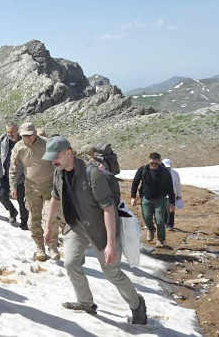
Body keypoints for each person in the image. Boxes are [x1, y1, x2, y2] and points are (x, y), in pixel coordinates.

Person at [43, 136, 147, 325]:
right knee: (71, 264)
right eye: (50, 157)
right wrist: (48, 226)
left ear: (69, 152)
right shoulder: (58, 172)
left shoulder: (92, 174)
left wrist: (111, 244)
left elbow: (108, 209)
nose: (52, 161)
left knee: (112, 274)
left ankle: (137, 305)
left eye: (55, 156)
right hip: (76, 226)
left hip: (100, 230)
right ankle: (86, 303)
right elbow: (55, 198)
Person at [9, 122, 60, 261]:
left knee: (51, 217)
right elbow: (14, 168)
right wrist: (13, 186)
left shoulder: (47, 144)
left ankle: (52, 245)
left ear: (35, 133)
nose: (28, 139)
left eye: (30, 135)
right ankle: (39, 247)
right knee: (34, 219)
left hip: (50, 187)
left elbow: (59, 162)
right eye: (24, 136)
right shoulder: (18, 147)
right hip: (31, 188)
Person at [0, 121, 28, 229]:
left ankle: (25, 222)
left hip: (20, 176)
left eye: (12, 132)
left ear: (17, 130)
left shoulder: (23, 141)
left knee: (21, 200)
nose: (10, 134)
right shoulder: (3, 138)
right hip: (4, 173)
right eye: (8, 132)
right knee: (1, 195)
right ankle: (12, 211)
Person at [130, 153, 175, 247]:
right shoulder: (143, 170)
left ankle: (161, 239)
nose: (153, 165)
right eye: (151, 163)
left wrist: (172, 203)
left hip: (160, 199)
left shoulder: (165, 172)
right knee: (146, 217)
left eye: (155, 163)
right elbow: (135, 182)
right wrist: (133, 197)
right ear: (149, 161)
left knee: (160, 220)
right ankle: (151, 230)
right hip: (146, 198)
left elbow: (170, 187)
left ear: (159, 161)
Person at [162, 159, 183, 230]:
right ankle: (164, 223)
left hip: (171, 195)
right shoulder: (159, 173)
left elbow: (178, 184)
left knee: (171, 210)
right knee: (163, 209)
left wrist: (179, 194)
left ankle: (170, 225)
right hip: (161, 195)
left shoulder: (175, 173)